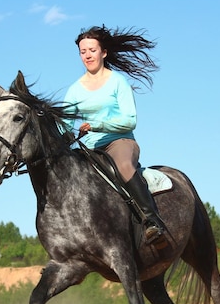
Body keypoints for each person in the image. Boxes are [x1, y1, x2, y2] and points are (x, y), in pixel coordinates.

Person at [64, 25, 168, 249]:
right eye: (83, 52)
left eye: (92, 50)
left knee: (123, 166)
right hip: (89, 149)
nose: (87, 55)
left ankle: (152, 221)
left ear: (103, 53)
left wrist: (96, 125)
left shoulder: (117, 82)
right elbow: (63, 122)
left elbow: (130, 120)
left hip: (119, 142)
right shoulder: (74, 90)